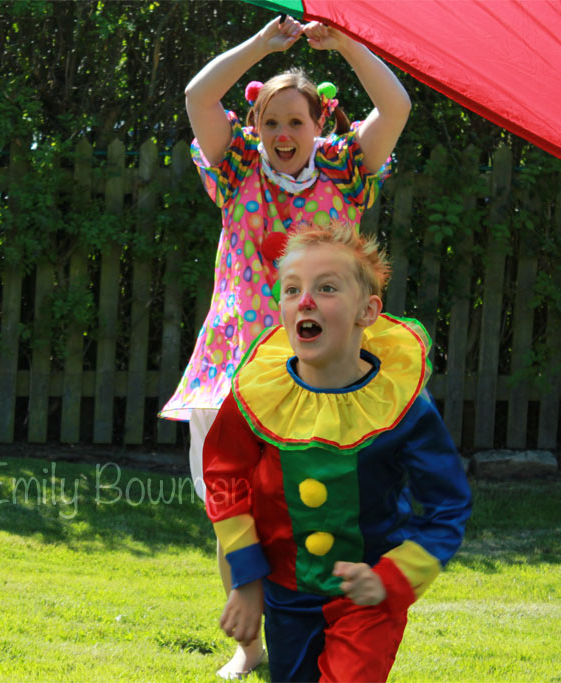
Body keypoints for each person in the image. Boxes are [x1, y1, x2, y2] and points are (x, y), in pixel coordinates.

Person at [158, 14, 411, 678]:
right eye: (270, 122)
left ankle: (329, 634)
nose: (282, 135)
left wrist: (349, 43)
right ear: (256, 127)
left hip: (321, 371)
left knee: (322, 513)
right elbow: (197, 96)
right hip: (236, 365)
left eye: (295, 121)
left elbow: (396, 107)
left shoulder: (346, 170)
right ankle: (250, 647)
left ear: (318, 124)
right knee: (234, 515)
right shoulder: (237, 166)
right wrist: (261, 46)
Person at [202, 219, 472, 682]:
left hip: (368, 598)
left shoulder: (401, 405)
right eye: (292, 290)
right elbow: (225, 479)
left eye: (326, 288)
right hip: (286, 594)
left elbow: (447, 504)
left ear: (367, 311)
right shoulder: (257, 393)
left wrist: (392, 577)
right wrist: (247, 578)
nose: (305, 301)